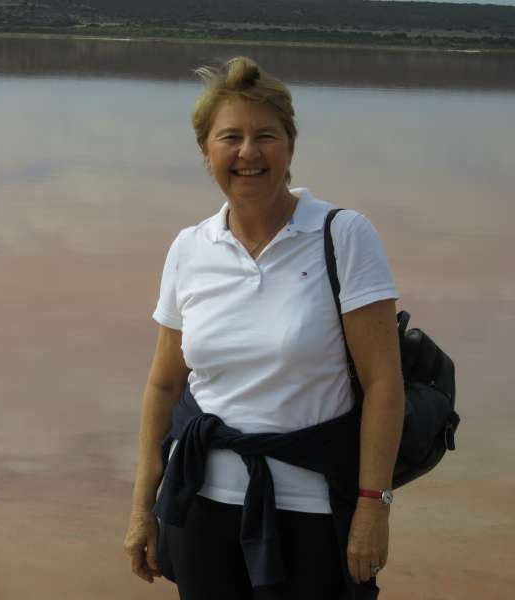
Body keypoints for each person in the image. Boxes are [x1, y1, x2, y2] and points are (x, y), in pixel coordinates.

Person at [123, 57, 405, 600]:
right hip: (199, 505)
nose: (248, 152)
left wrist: (374, 505)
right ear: (206, 153)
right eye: (230, 137)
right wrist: (142, 509)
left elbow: (384, 385)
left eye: (265, 136)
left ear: (290, 147)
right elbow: (164, 385)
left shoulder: (343, 235)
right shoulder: (190, 248)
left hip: (313, 509)